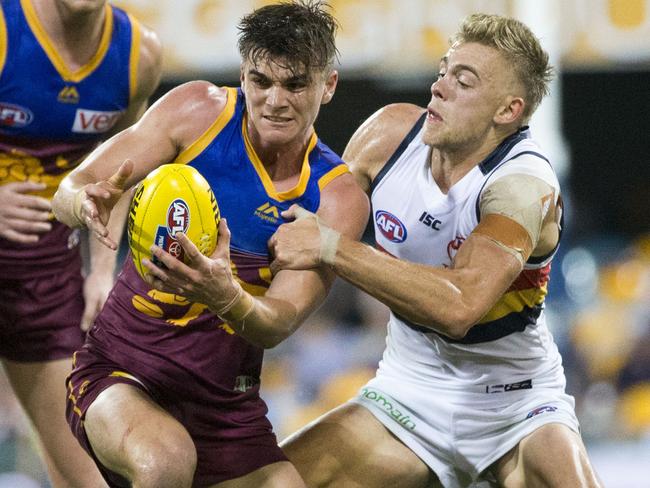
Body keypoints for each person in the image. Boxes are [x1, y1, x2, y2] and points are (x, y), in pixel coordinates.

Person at [270, 12, 603, 488]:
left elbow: (458, 305)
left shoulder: (524, 186)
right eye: (443, 71)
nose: (439, 88)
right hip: (408, 394)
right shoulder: (387, 137)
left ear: (507, 111)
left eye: (462, 82)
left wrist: (331, 248)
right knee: (263, 482)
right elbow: (297, 235)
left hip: (517, 407)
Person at [52, 1, 368, 487]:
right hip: (121, 374)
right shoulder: (199, 112)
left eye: (295, 84)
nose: (275, 100)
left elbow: (277, 322)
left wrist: (223, 295)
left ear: (328, 86)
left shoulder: (337, 198)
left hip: (226, 408)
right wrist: (85, 204)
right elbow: (72, 188)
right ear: (243, 75)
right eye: (261, 81)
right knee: (166, 460)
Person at [0, 0, 161, 486]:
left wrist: (101, 272)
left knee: (88, 477)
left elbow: (122, 171)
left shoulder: (138, 57)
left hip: (47, 280)